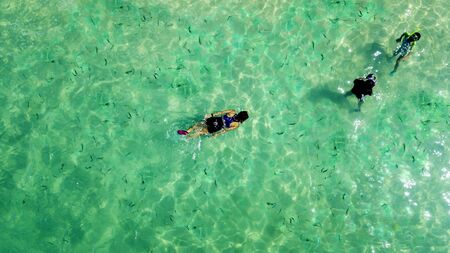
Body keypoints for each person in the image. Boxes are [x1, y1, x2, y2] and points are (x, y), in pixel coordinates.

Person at [177, 110, 249, 138]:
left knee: (197, 125)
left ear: (240, 113)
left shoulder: (232, 112)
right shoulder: (236, 125)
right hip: (218, 127)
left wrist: (211, 115)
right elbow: (226, 130)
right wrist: (216, 135)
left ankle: (187, 132)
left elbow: (220, 112)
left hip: (216, 120)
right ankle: (188, 137)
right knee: (201, 132)